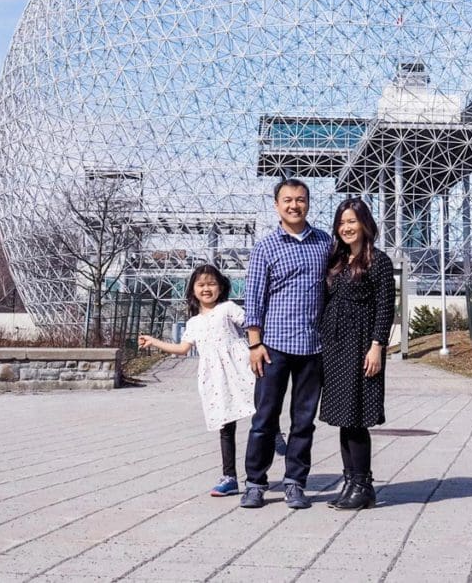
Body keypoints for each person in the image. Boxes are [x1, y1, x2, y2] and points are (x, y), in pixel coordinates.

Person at [240, 178, 332, 510]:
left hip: (313, 347)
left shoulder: (325, 243)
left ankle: (295, 481)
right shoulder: (265, 246)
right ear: (277, 205)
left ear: (309, 203)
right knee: (265, 418)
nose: (295, 205)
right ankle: (255, 482)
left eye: (301, 199)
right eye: (288, 200)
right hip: (273, 347)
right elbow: (254, 297)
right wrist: (255, 343)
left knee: (304, 420)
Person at [138, 264, 253, 497]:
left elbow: (251, 324)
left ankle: (274, 436)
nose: (206, 288)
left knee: (260, 407)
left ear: (221, 287)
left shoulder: (228, 308)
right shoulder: (193, 323)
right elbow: (182, 349)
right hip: (215, 377)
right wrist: (154, 341)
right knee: (225, 425)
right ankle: (229, 476)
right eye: (201, 284)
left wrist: (258, 348)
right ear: (192, 290)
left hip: (240, 367)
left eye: (211, 283)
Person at [319, 197, 395, 510]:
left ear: (365, 224)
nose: (347, 227)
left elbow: (386, 307)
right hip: (335, 346)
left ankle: (363, 484)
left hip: (362, 344)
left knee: (357, 417)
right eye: (342, 222)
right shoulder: (337, 261)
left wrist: (377, 345)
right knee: (342, 418)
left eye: (352, 221)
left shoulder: (378, 261)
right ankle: (350, 481)